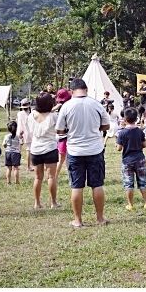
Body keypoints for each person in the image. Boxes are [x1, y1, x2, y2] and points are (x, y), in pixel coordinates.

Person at [56, 78, 110, 227]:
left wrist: (70, 130)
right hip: (95, 149)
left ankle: (78, 220)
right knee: (97, 185)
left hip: (75, 151)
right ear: (86, 89)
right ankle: (100, 218)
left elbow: (59, 130)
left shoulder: (67, 106)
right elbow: (106, 125)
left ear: (72, 91)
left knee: (76, 186)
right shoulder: (96, 104)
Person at [27, 91, 60, 210]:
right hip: (50, 148)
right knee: (51, 177)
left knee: (38, 178)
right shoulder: (53, 117)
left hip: (35, 149)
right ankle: (53, 202)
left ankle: (37, 203)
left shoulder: (31, 115)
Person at [116, 107, 146, 210]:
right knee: (143, 181)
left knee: (128, 183)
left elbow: (119, 148)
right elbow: (144, 145)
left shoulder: (122, 133)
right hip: (140, 159)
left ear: (124, 119)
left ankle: (130, 204)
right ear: (136, 119)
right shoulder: (140, 131)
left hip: (127, 160)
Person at [54, 88, 72, 177]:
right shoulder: (68, 109)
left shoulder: (56, 111)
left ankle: (55, 177)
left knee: (61, 159)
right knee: (68, 159)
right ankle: (70, 177)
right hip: (67, 137)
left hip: (60, 137)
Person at [16, 98, 34, 172]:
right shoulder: (30, 115)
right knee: (28, 149)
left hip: (19, 132)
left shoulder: (19, 114)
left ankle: (16, 165)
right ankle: (28, 167)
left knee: (18, 149)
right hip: (28, 132)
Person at [3, 121, 22, 185]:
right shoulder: (18, 136)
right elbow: (21, 143)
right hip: (15, 153)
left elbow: (4, 145)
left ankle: (8, 182)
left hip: (8, 152)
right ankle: (17, 182)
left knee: (9, 168)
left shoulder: (6, 136)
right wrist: (21, 136)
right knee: (16, 168)